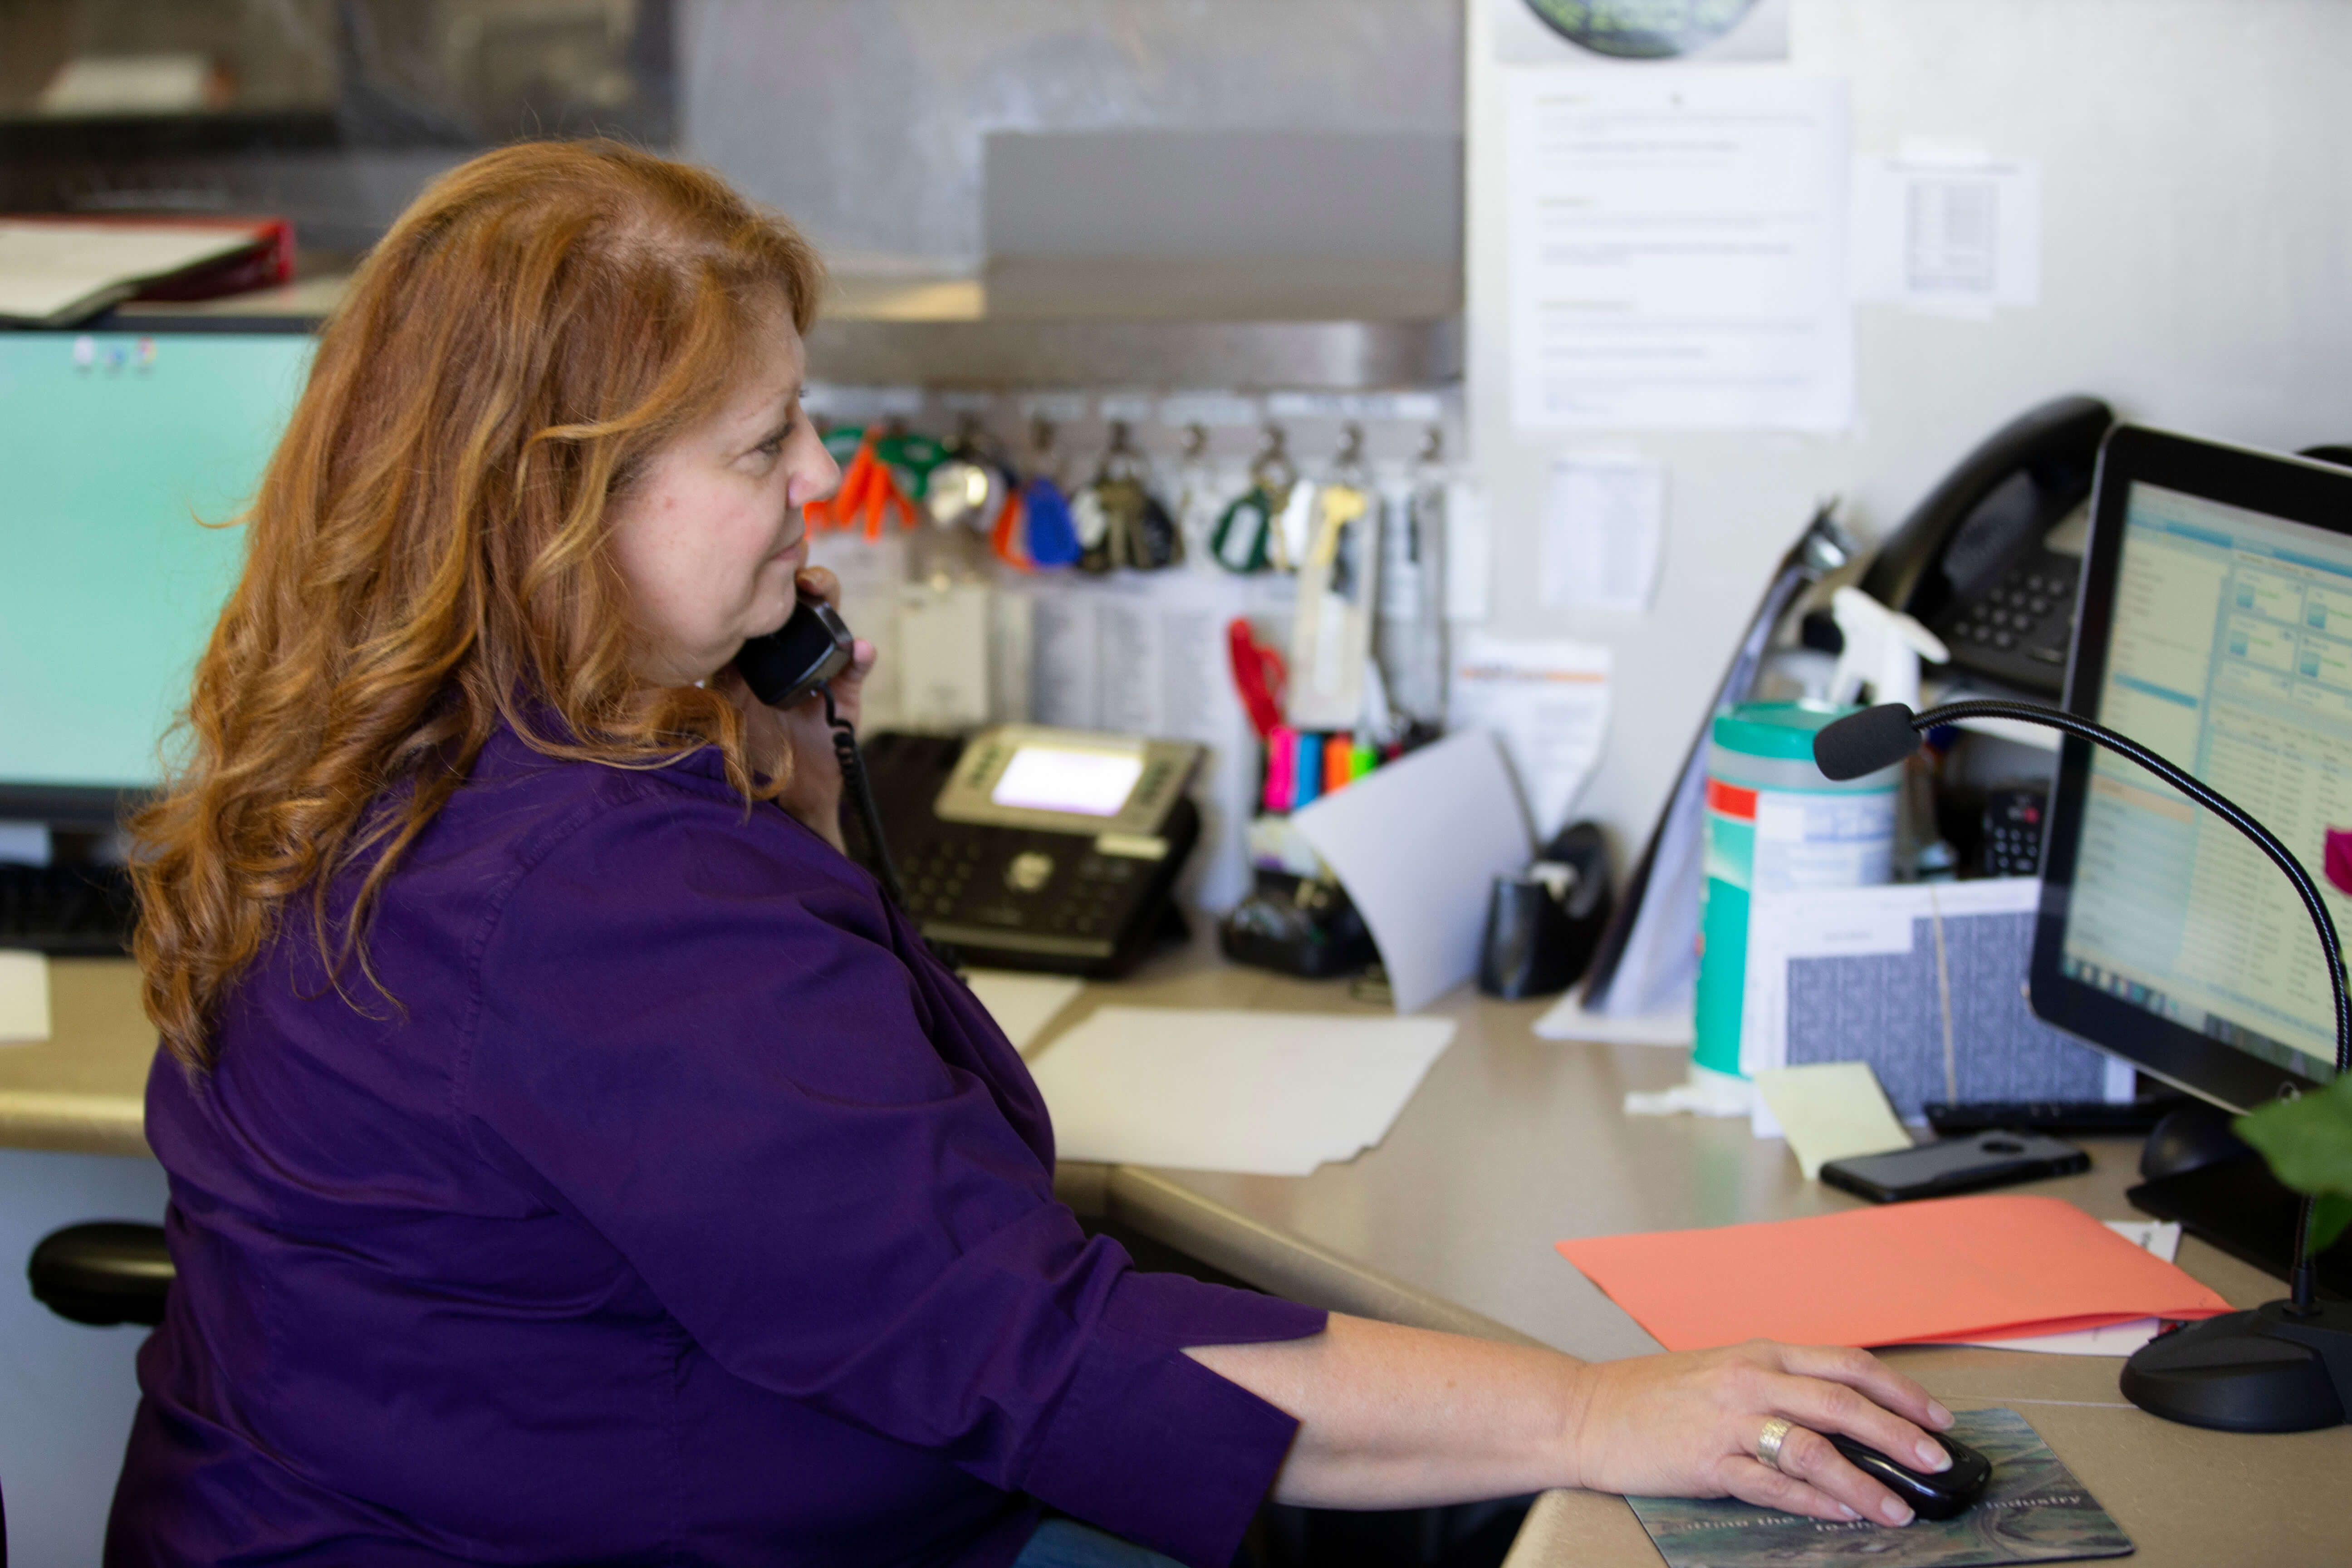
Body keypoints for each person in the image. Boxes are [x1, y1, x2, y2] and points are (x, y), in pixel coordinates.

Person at [111, 141, 1955, 1568]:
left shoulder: (393, 749)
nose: (821, 479)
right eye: (765, 445)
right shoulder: (597, 893)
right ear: (554, 504)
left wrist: (802, 809)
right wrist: (1596, 1412)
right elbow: (1031, 1354)